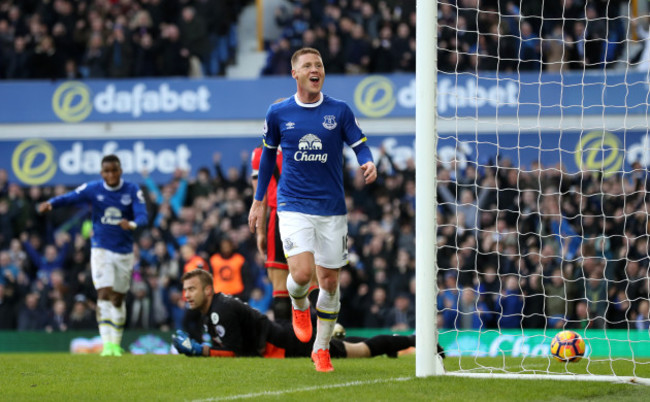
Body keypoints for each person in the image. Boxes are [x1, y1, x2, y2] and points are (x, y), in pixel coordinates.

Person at [248, 47, 377, 372]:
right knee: (302, 274)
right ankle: (298, 304)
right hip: (293, 206)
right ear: (295, 73)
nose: (315, 69)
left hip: (332, 209)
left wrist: (368, 161)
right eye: (307, 65)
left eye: (318, 64)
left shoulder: (340, 110)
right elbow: (266, 158)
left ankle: (320, 349)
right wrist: (259, 201)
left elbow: (358, 143)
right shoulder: (278, 112)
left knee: (330, 282)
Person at [172, 269, 431, 361]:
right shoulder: (212, 310)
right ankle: (400, 343)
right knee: (349, 345)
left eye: (192, 289)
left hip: (290, 343)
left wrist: (200, 351)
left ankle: (412, 340)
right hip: (284, 335)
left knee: (359, 351)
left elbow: (239, 353)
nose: (186, 295)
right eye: (184, 290)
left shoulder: (220, 311)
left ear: (208, 289)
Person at [38, 154, 148, 356]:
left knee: (118, 298)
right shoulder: (94, 188)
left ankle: (116, 343)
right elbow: (71, 197)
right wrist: (51, 203)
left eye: (114, 170)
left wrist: (131, 224)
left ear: (120, 171)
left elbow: (142, 215)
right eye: (107, 171)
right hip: (101, 249)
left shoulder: (132, 189)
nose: (111, 174)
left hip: (124, 252)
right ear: (101, 173)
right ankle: (107, 345)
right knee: (104, 293)